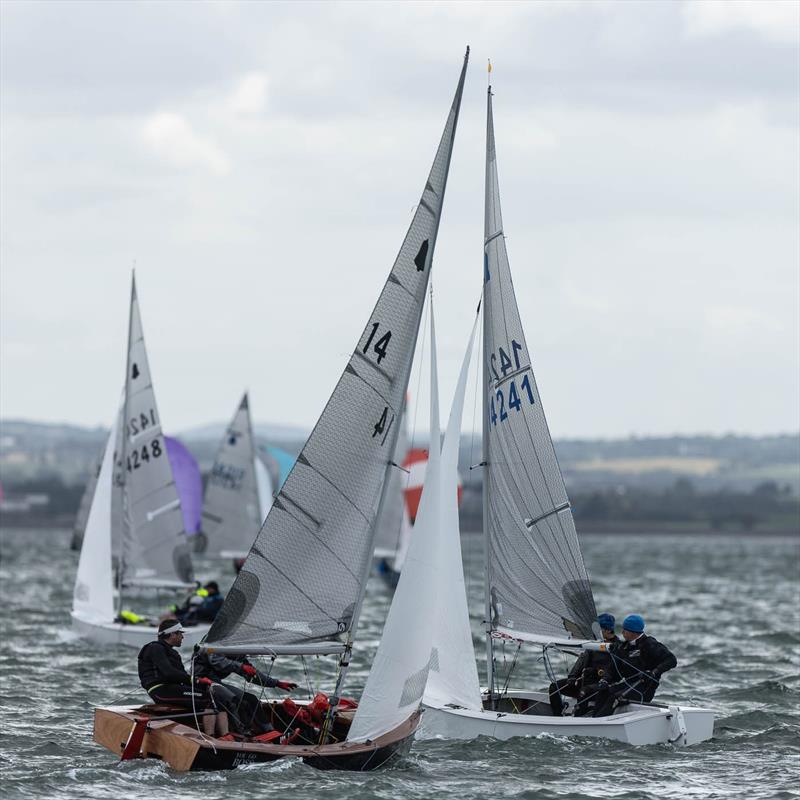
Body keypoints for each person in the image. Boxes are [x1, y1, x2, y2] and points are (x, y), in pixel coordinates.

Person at [137, 618, 228, 737]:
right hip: (161, 690)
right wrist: (196, 680)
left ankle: (226, 735)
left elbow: (183, 678)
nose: (183, 637)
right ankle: (211, 737)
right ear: (172, 634)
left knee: (216, 697)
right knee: (208, 701)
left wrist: (202, 684)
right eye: (180, 634)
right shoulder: (155, 648)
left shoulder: (174, 654)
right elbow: (169, 673)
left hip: (172, 689)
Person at [192, 649, 297, 740]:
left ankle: (271, 732)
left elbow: (251, 673)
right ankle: (241, 734)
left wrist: (277, 683)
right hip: (200, 681)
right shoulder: (214, 645)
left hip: (216, 682)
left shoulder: (238, 654)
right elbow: (217, 662)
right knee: (234, 700)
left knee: (251, 699)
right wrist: (241, 667)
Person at [592, 613, 677, 717]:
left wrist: (654, 672)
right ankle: (593, 719)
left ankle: (601, 723)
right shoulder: (624, 646)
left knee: (614, 697)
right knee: (603, 692)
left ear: (634, 632)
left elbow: (672, 660)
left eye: (625, 630)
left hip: (644, 688)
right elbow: (613, 669)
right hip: (628, 684)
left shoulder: (649, 644)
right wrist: (605, 679)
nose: (622, 632)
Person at [548, 613, 619, 717]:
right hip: (583, 682)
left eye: (599, 630)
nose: (594, 633)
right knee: (554, 687)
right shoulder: (593, 644)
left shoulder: (617, 648)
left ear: (608, 630)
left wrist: (596, 673)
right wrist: (572, 677)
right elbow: (581, 662)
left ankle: (578, 719)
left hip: (599, 687)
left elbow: (613, 672)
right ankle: (558, 716)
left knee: (584, 691)